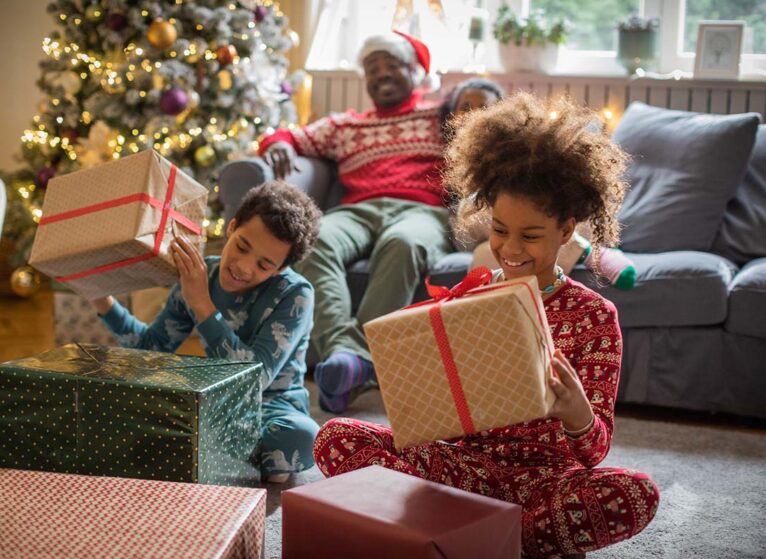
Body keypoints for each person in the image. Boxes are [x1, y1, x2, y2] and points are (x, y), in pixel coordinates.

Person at [313, 92, 659, 558]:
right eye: (499, 230)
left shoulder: (594, 317)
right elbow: (432, 420)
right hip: (456, 473)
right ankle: (487, 537)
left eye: (531, 235)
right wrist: (415, 395)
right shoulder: (470, 295)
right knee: (336, 436)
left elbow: (592, 453)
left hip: (542, 483)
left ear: (566, 230)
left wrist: (577, 414)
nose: (510, 248)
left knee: (635, 492)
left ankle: (471, 536)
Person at [259, 31, 452, 414]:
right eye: (371, 69)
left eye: (391, 66)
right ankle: (348, 355)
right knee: (314, 239)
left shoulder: (439, 116)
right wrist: (276, 144)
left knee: (402, 243)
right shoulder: (344, 125)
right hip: (358, 210)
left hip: (420, 210)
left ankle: (352, 362)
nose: (381, 75)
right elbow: (286, 136)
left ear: (416, 71)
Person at [91, 181, 322, 484]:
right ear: (232, 227)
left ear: (279, 269)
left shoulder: (295, 295)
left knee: (303, 437)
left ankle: (199, 453)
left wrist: (201, 303)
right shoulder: (200, 275)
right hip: (211, 407)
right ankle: (226, 457)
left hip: (271, 408)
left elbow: (256, 378)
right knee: (120, 407)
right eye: (242, 246)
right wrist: (102, 299)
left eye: (264, 265)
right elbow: (152, 348)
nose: (244, 267)